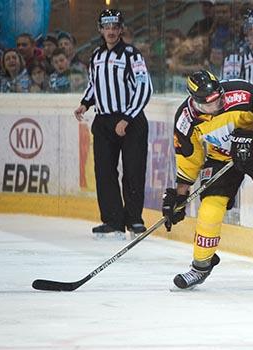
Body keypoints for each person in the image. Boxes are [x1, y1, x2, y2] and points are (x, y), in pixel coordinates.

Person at [162, 70, 253, 294]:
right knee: (210, 209)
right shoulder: (185, 120)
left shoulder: (242, 91)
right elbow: (188, 158)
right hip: (222, 157)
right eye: (209, 104)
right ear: (195, 101)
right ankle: (201, 266)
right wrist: (180, 194)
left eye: (219, 98)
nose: (217, 105)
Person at [74, 9, 153, 240]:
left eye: (114, 27)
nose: (110, 31)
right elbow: (94, 84)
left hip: (131, 120)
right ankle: (112, 220)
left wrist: (127, 118)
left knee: (133, 171)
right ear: (100, 29)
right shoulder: (96, 55)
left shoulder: (132, 55)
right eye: (106, 27)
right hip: (104, 121)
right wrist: (85, 104)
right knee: (104, 172)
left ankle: (134, 220)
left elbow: (144, 87)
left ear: (121, 29)